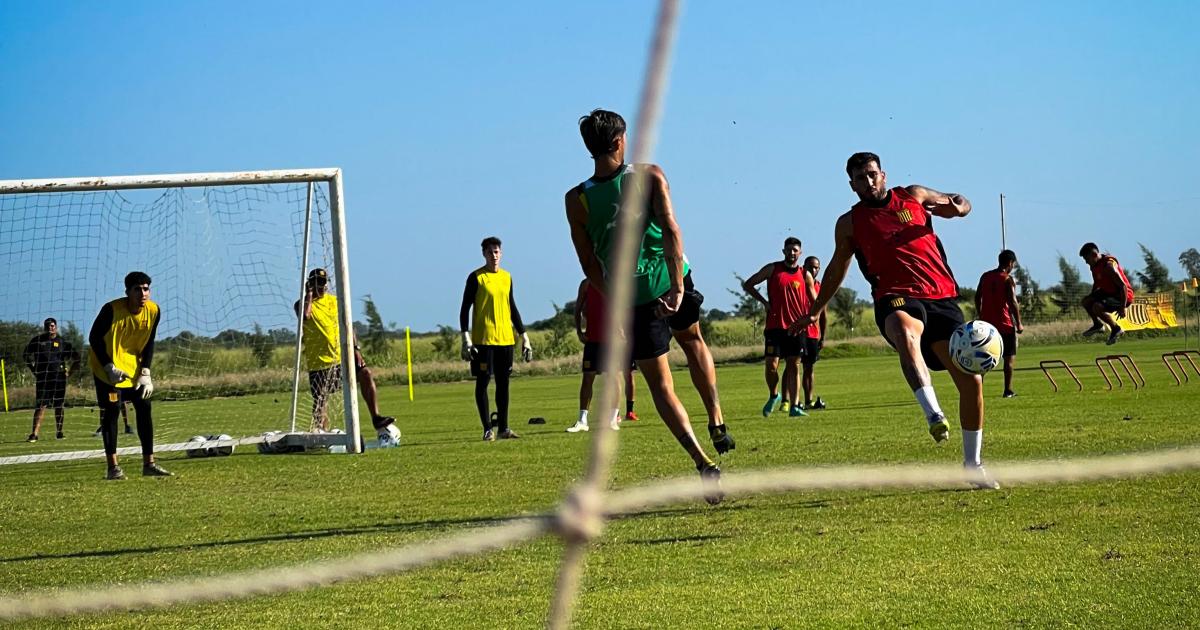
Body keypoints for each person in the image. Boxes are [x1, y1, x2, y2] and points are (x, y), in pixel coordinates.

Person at [791, 152, 997, 489]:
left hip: (941, 298)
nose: (868, 182)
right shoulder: (850, 223)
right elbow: (836, 268)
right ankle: (933, 414)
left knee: (971, 381)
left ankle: (973, 465)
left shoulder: (912, 196)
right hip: (894, 295)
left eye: (872, 174)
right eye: (860, 178)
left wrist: (961, 207)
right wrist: (816, 309)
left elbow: (956, 203)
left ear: (883, 175)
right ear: (851, 185)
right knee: (904, 330)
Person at [565, 108, 732, 504]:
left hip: (633, 300)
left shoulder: (577, 199)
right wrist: (677, 288)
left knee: (660, 385)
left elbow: (589, 265)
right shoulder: (650, 175)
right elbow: (673, 230)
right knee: (693, 342)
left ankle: (703, 462)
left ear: (588, 147)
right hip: (671, 281)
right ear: (621, 140)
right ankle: (716, 419)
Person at [295, 268, 399, 443]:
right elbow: (305, 316)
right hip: (318, 363)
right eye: (317, 282)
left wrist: (356, 349)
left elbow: (348, 324)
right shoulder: (302, 303)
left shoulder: (335, 301)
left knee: (366, 373)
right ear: (310, 283)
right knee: (320, 400)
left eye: (324, 282)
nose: (322, 286)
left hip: (340, 359)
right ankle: (321, 434)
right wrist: (309, 295)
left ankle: (376, 417)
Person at [87, 271, 171, 480]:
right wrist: (108, 367)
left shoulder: (154, 310)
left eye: (146, 289)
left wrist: (146, 372)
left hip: (133, 369)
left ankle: (149, 463)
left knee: (144, 408)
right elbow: (94, 338)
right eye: (137, 289)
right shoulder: (111, 310)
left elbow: (150, 341)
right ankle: (113, 468)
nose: (143, 293)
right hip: (108, 369)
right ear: (128, 292)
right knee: (112, 411)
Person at [459, 237, 532, 441]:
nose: (494, 255)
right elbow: (465, 309)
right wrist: (466, 337)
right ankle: (487, 429)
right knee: (483, 382)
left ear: (501, 253)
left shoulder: (507, 277)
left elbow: (512, 308)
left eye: (497, 251)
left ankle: (504, 428)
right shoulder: (476, 278)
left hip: (506, 339)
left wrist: (524, 336)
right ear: (484, 253)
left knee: (503, 384)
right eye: (490, 252)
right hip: (484, 339)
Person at [741, 237, 812, 417]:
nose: (792, 253)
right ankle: (774, 395)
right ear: (783, 252)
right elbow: (748, 284)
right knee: (771, 366)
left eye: (795, 250)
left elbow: (815, 299)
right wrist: (764, 302)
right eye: (789, 250)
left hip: (796, 328)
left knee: (794, 365)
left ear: (800, 253)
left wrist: (812, 316)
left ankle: (795, 406)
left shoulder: (805, 274)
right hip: (775, 326)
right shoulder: (773, 269)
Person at [567, 278, 637, 433]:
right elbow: (578, 309)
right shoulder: (586, 284)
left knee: (614, 378)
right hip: (592, 341)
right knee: (587, 378)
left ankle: (613, 419)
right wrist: (579, 331)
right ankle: (582, 420)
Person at [975, 250, 1024, 397]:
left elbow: (977, 297)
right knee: (1008, 359)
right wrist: (1019, 323)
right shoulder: (1007, 279)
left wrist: (980, 314)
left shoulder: (985, 276)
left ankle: (978, 391)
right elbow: (1013, 302)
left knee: (982, 359)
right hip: (1005, 325)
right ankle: (1007, 390)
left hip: (987, 326)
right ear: (1010, 263)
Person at [23, 318, 80, 441]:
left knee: (59, 405)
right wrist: (33, 370)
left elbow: (77, 358)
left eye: (52, 325)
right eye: (48, 325)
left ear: (56, 327)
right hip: (43, 379)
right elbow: (25, 355)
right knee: (41, 405)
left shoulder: (62, 342)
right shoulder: (37, 341)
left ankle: (59, 432)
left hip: (59, 379)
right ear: (44, 327)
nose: (50, 327)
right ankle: (34, 434)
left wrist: (69, 373)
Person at [1079, 242, 1134, 345]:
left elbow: (1123, 286)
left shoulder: (1109, 266)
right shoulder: (1094, 266)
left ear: (1094, 255)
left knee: (1096, 307)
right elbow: (1097, 283)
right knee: (1086, 302)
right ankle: (1098, 325)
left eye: (1087, 259)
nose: (1086, 263)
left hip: (1122, 296)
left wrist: (1122, 307)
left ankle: (1116, 328)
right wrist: (1091, 297)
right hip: (1108, 292)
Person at [800, 256, 828, 411]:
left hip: (812, 333)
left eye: (816, 267)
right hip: (798, 331)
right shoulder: (798, 283)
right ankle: (787, 400)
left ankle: (808, 400)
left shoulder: (820, 287)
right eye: (810, 267)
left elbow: (823, 314)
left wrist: (822, 336)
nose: (813, 270)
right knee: (792, 365)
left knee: (809, 367)